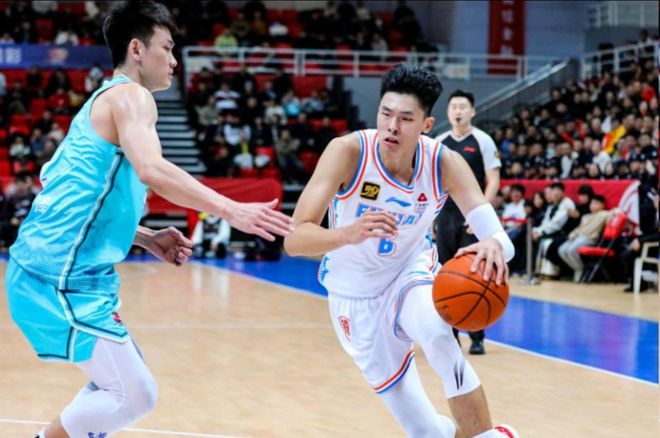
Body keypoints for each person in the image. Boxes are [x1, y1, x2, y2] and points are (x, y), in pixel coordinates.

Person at [5, 3, 293, 438]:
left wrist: (143, 237)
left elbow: (71, 196)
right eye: (168, 47)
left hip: (57, 268)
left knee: (122, 385)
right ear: (137, 49)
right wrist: (233, 210)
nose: (175, 60)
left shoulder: (105, 101)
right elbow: (152, 170)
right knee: (135, 394)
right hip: (56, 274)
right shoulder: (131, 96)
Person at [284, 64, 517, 438]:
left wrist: (493, 243)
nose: (392, 126)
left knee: (439, 338)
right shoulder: (347, 152)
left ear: (426, 124)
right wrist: (346, 234)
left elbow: (501, 240)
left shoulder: (443, 162)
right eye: (386, 114)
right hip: (353, 298)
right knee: (425, 432)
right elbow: (295, 239)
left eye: (406, 119)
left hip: (411, 273)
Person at [434, 89, 502, 355]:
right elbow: (432, 184)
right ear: (448, 112)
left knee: (475, 274)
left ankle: (477, 336)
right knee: (445, 274)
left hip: (471, 215)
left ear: (472, 111)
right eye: (453, 107)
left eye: (463, 106)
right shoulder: (439, 142)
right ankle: (450, 336)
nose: (458, 111)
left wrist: (481, 215)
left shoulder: (483, 140)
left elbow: (493, 180)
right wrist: (432, 218)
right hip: (446, 215)